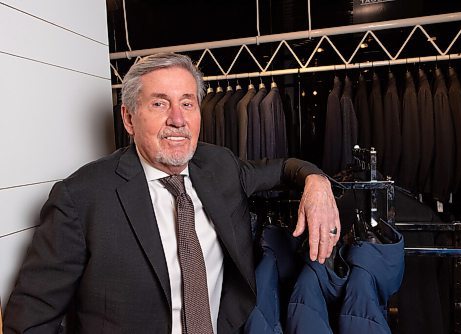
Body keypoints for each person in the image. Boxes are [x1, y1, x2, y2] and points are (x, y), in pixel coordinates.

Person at [3, 53, 340, 333]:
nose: (178, 119)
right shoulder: (80, 198)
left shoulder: (220, 166)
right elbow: (32, 318)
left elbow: (283, 167)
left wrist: (317, 182)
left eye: (187, 103)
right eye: (160, 103)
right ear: (129, 118)